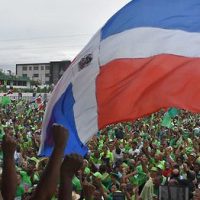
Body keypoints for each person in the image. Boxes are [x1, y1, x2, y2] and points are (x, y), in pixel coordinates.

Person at [1, 124, 83, 200]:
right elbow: (42, 196)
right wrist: (67, 176)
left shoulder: (34, 177)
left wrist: (8, 156)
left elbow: (8, 196)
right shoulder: (24, 173)